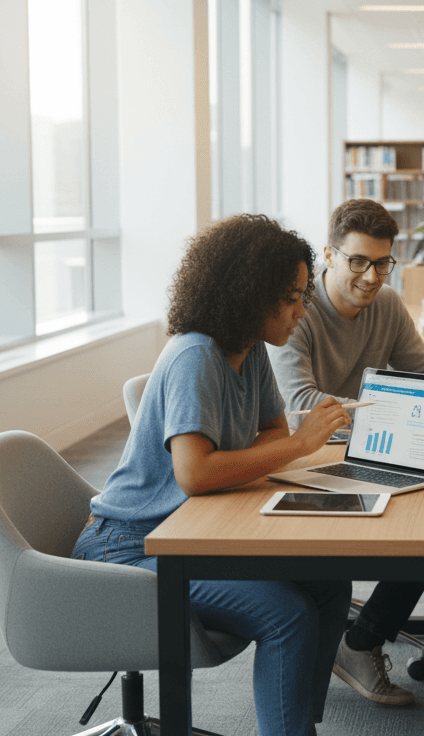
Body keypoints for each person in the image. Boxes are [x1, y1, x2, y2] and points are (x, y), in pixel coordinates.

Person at [71, 215, 354, 736]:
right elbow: (197, 473)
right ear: (249, 294)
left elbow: (267, 435)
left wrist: (281, 446)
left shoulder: (249, 351)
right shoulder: (195, 354)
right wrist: (299, 444)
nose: (300, 311)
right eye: (289, 297)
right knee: (287, 613)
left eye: (302, 295)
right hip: (136, 547)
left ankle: (293, 725)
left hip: (195, 529)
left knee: (330, 584)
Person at [269, 198, 424, 707]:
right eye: (358, 262)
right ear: (328, 254)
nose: (372, 277)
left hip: (371, 448)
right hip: (306, 460)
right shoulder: (295, 311)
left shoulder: (386, 306)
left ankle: (360, 640)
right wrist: (396, 409)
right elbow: (300, 406)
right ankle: (343, 632)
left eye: (383, 263)